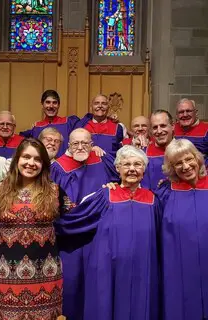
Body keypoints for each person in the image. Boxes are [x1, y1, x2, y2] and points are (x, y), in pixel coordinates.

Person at [55, 145, 161, 320]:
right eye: (126, 165)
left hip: (143, 269)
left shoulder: (153, 200)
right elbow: (76, 220)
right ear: (117, 169)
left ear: (144, 169)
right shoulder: (105, 195)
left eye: (138, 164)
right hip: (108, 268)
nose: (132, 169)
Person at [0, 138, 70, 319]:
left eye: (37, 159)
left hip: (47, 276)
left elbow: (78, 219)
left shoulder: (55, 191)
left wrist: (107, 193)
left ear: (44, 164)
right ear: (17, 159)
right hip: (8, 277)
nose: (31, 163)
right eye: (26, 157)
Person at [50, 128, 119, 319]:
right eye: (75, 144)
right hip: (69, 238)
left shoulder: (102, 161)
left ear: (92, 143)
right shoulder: (58, 168)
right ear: (69, 146)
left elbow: (119, 182)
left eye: (85, 143)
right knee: (71, 285)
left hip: (97, 235)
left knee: (97, 284)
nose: (80, 147)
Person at [156, 139, 208, 320]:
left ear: (198, 158)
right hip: (179, 269)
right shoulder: (165, 193)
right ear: (171, 168)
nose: (185, 166)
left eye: (189, 159)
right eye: (178, 163)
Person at [20, 90, 80, 157]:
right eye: (48, 102)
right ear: (42, 104)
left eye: (54, 103)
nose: (51, 106)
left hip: (64, 165)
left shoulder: (69, 123)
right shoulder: (37, 127)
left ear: (59, 105)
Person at [142, 110, 174, 190]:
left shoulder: (184, 150)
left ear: (173, 126)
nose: (159, 131)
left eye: (163, 126)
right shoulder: (144, 153)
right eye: (155, 127)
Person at [174, 98, 208, 164]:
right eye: (181, 112)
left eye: (188, 111)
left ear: (196, 113)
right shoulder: (171, 129)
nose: (185, 115)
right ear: (177, 115)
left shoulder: (206, 129)